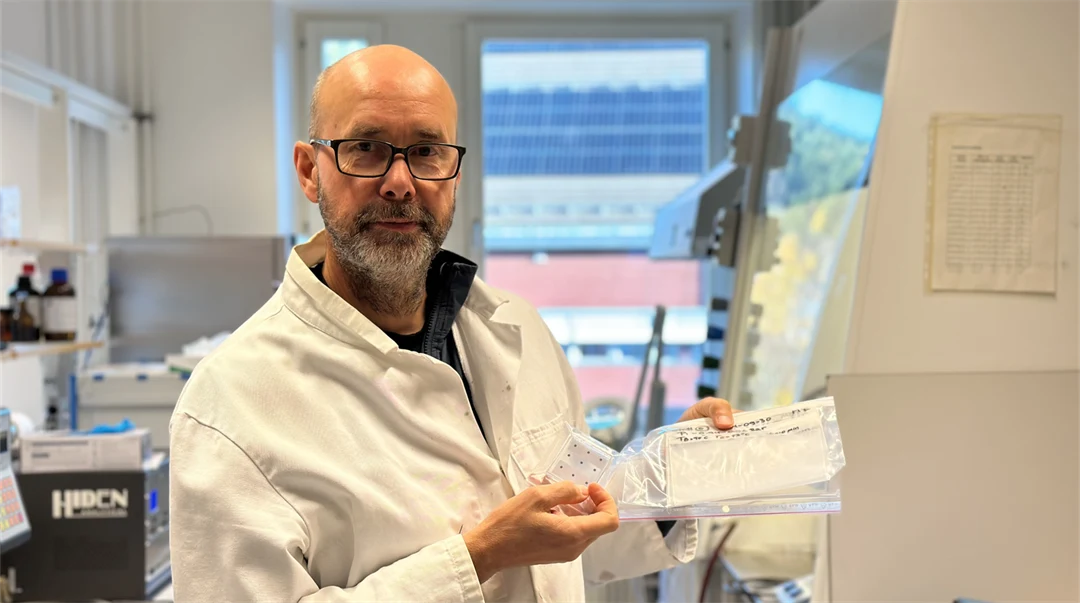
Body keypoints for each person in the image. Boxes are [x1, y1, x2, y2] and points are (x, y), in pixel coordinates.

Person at [168, 44, 735, 603]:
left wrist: (671, 475)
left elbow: (579, 527)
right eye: (365, 148)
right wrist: (479, 555)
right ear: (309, 170)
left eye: (426, 151)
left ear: (454, 173)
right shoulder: (230, 403)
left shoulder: (518, 330)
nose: (399, 181)